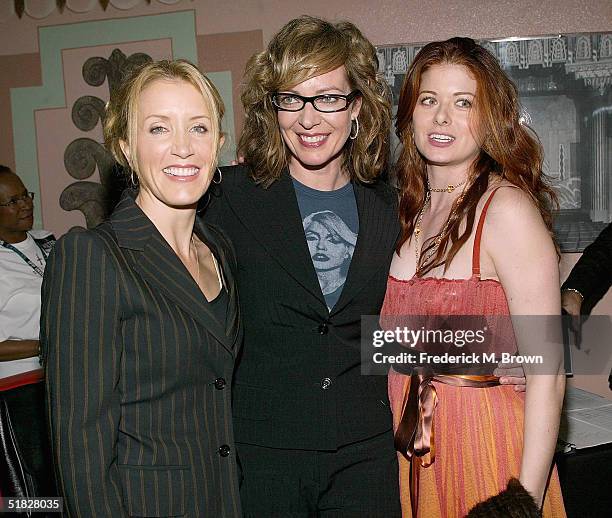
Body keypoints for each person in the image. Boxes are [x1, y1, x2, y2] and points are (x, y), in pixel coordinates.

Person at [207, 15, 403, 516]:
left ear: (357, 106)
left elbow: (404, 327)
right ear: (273, 109)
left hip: (366, 455)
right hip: (264, 457)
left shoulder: (392, 205)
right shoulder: (228, 197)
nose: (308, 118)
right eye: (291, 98)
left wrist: (513, 355)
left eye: (329, 98)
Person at [40, 60, 242, 517]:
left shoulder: (220, 251)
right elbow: (80, 449)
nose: (183, 148)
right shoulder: (91, 257)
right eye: (158, 129)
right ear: (125, 147)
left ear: (219, 144)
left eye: (199, 127)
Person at [383, 37, 566, 517]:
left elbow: (548, 376)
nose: (442, 117)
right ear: (410, 114)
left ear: (490, 119)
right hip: (419, 456)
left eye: (463, 102)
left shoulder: (506, 211)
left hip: (488, 456)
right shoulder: (409, 211)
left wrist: (519, 505)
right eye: (429, 100)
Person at [0, 166, 57, 500]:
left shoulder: (49, 241)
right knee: (30, 486)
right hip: (16, 391)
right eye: (12, 201)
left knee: (62, 475)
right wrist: (45, 345)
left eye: (25, 195)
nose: (24, 205)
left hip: (56, 381)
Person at [303, 210, 357, 309]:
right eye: (312, 238)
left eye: (332, 240)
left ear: (347, 250)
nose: (320, 246)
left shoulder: (355, 289)